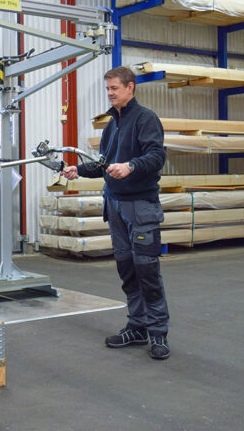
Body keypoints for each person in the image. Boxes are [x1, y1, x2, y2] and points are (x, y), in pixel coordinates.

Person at [62, 66, 170, 360]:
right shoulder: (112, 125)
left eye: (114, 88)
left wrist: (131, 166)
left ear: (130, 87)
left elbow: (157, 156)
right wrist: (78, 170)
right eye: (108, 89)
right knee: (127, 269)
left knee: (147, 270)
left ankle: (158, 333)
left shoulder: (145, 119)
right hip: (115, 205)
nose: (109, 93)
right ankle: (137, 327)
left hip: (140, 206)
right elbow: (103, 164)